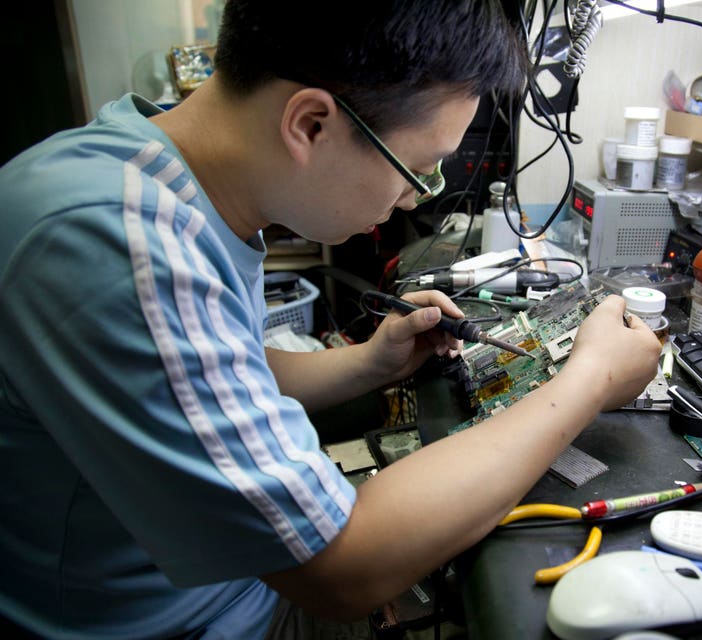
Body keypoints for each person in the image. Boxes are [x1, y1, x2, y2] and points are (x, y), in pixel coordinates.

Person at [0, 1, 661, 637]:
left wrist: (370, 363)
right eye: (418, 170)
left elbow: (209, 376)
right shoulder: (120, 248)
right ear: (311, 124)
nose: (411, 198)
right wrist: (589, 380)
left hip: (222, 591)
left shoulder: (157, 174)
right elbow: (343, 569)